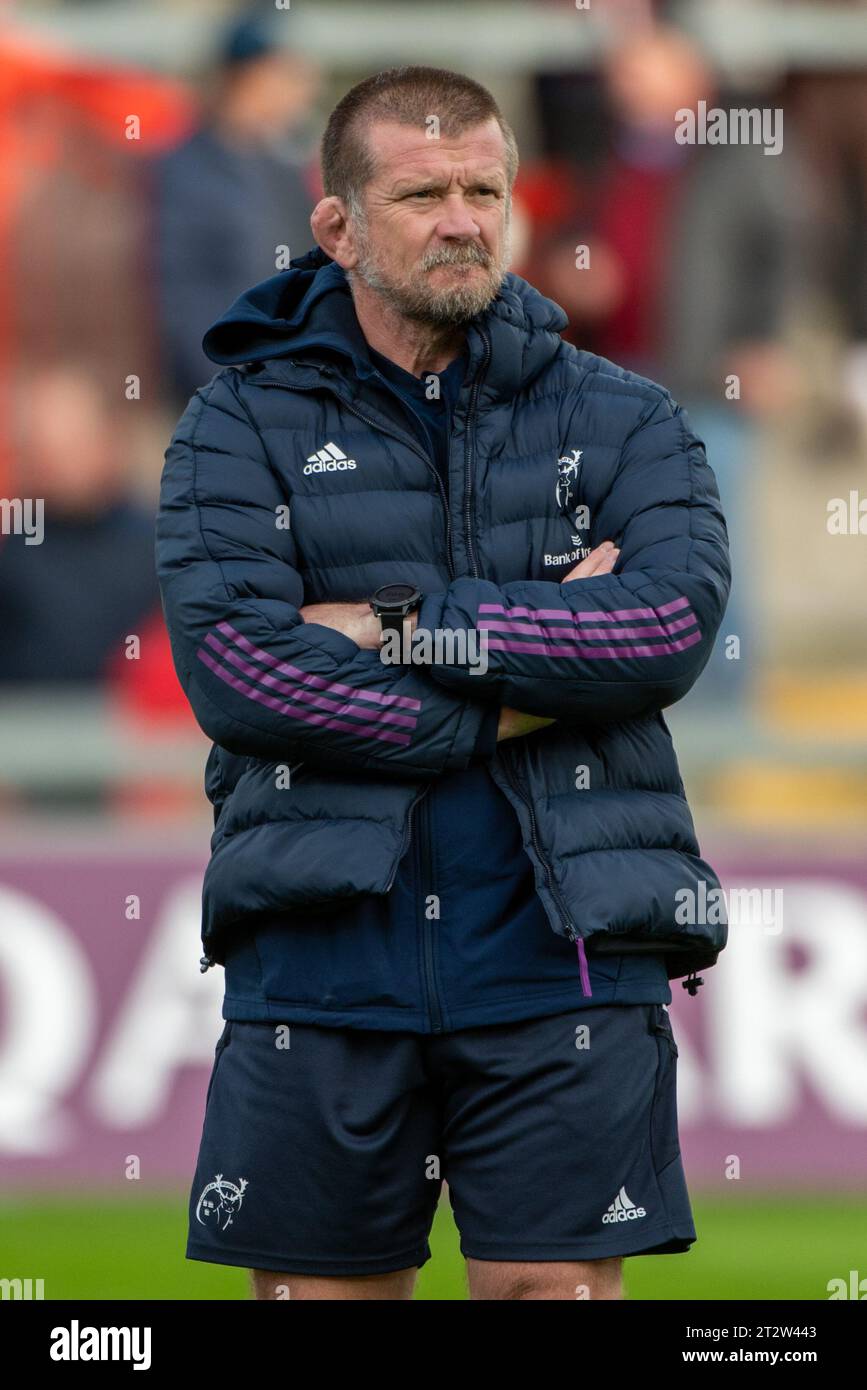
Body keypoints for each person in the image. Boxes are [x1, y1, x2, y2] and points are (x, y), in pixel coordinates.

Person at [155, 66, 731, 1301]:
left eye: (485, 188)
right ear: (338, 226)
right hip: (319, 952)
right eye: (424, 193)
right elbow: (241, 672)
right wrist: (535, 669)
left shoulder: (625, 415)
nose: (465, 218)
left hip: (563, 947)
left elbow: (667, 628)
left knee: (551, 1298)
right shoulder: (233, 423)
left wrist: (385, 624)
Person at [150, 11, 320, 408]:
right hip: (214, 397)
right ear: (251, 78)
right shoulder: (182, 173)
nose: (302, 91)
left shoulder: (282, 171)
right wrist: (227, 393)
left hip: (282, 390)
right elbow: (176, 296)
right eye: (289, 75)